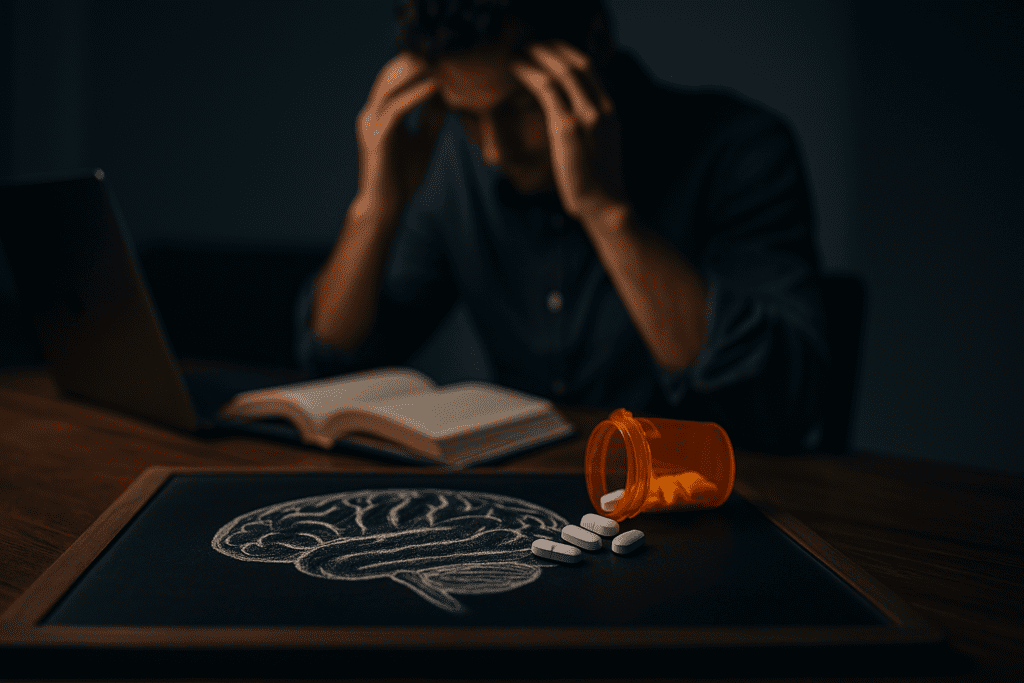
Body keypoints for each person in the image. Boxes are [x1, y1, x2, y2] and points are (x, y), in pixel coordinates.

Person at [294, 0, 830, 455]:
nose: (494, 149)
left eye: (521, 108)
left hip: (715, 504)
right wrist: (376, 208)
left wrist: (604, 209)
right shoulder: (459, 169)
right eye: (467, 116)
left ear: (592, 49)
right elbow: (337, 362)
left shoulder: (740, 150)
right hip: (536, 507)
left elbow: (778, 406)